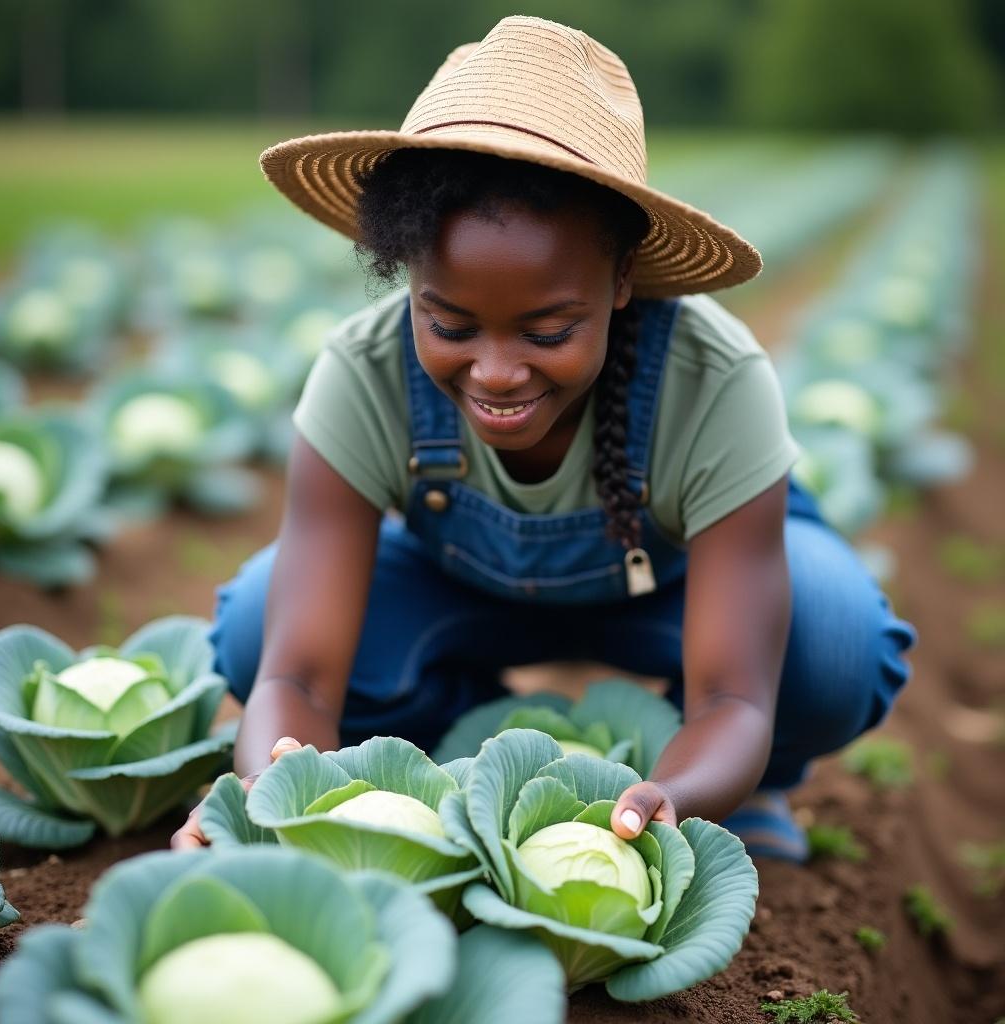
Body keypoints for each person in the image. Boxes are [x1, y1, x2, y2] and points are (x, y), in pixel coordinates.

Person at [172, 15, 915, 860]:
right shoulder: (362, 371)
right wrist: (279, 791)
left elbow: (734, 697)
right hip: (463, 599)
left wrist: (678, 793)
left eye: (549, 332)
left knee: (835, 643)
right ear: (408, 273)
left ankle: (751, 788)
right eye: (449, 323)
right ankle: (445, 747)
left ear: (622, 278)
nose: (494, 372)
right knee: (253, 626)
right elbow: (295, 678)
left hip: (676, 600)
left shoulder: (715, 379)